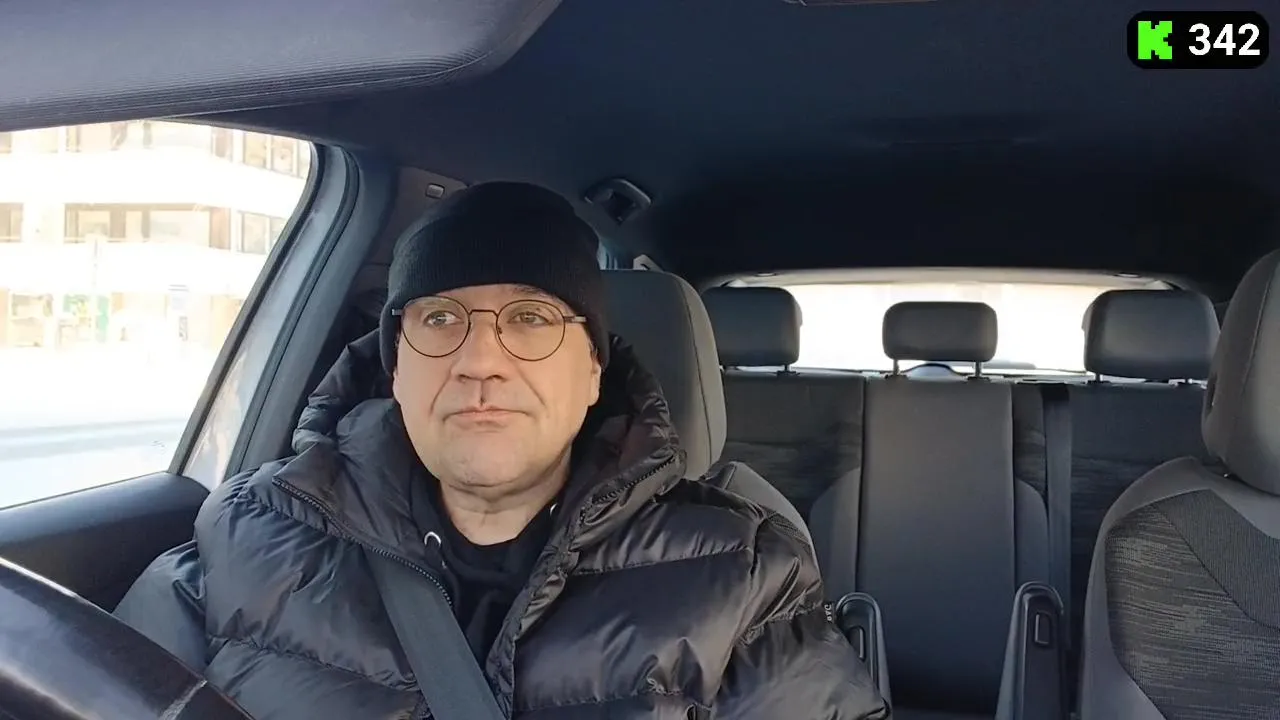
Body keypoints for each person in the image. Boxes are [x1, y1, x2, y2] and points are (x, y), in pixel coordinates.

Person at [115, 181, 887, 720]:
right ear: (396, 367)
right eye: (440, 319)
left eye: (531, 318)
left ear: (593, 372)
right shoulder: (248, 534)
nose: (480, 360)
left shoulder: (743, 574)